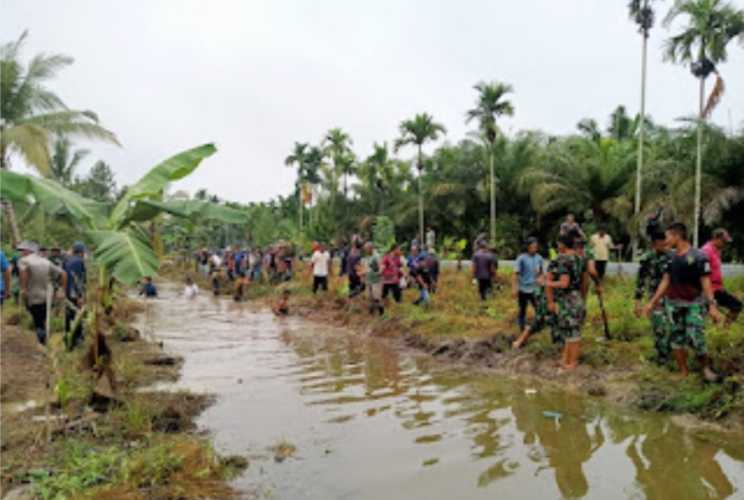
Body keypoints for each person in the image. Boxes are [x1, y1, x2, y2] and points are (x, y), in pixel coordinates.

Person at [643, 222, 723, 380]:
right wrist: (652, 302)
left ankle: (706, 369)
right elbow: (665, 281)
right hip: (673, 304)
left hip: (694, 304)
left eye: (667, 237)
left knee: (696, 337)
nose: (665, 240)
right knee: (676, 339)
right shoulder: (670, 258)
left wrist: (712, 306)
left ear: (677, 236)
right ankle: (683, 372)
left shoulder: (699, 257)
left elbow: (706, 283)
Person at [545, 233, 587, 370]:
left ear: (562, 244)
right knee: (570, 331)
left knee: (573, 332)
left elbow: (564, 283)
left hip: (567, 299)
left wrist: (545, 282)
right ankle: (565, 360)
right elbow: (584, 281)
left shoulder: (562, 259)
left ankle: (572, 363)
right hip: (577, 297)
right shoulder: (579, 258)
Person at [634, 229, 672, 364]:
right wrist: (638, 301)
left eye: (664, 242)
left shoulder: (672, 256)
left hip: (672, 296)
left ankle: (673, 353)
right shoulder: (647, 258)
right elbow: (641, 280)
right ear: (654, 243)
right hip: (654, 297)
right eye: (659, 243)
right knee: (658, 326)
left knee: (673, 326)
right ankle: (662, 356)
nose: (663, 245)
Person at [18, 241, 67, 345]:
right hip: (47, 297)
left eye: (23, 250)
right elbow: (63, 274)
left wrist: (23, 289)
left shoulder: (24, 261)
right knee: (42, 319)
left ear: (29, 251)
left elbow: (24, 273)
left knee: (38, 322)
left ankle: (42, 342)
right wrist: (62, 290)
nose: (21, 253)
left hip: (32, 297)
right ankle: (44, 341)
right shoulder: (46, 261)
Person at [701, 228, 742, 325]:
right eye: (724, 241)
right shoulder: (706, 251)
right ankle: (718, 332)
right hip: (710, 289)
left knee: (737, 305)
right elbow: (701, 274)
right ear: (716, 238)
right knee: (714, 315)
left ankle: (725, 329)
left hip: (718, 289)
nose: (725, 245)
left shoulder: (717, 251)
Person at [512, 237, 544, 331]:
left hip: (535, 288)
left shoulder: (539, 258)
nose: (534, 248)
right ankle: (521, 327)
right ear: (527, 247)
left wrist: (541, 280)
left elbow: (542, 273)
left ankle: (538, 326)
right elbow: (515, 274)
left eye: (536, 247)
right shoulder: (521, 258)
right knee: (522, 309)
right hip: (523, 288)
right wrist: (514, 288)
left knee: (539, 308)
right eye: (532, 247)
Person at [63, 242, 87, 349]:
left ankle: (68, 338)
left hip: (67, 293)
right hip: (74, 294)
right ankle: (75, 340)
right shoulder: (79, 261)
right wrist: (79, 296)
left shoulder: (68, 260)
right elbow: (76, 280)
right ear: (81, 252)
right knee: (77, 316)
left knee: (69, 315)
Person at [362, 242, 383, 315]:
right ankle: (372, 312)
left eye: (366, 249)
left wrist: (380, 272)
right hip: (368, 279)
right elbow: (366, 267)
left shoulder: (376, 256)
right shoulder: (367, 257)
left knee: (376, 297)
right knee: (369, 296)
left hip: (376, 280)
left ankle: (380, 311)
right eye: (365, 249)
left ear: (371, 248)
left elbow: (381, 265)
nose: (365, 250)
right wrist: (363, 275)